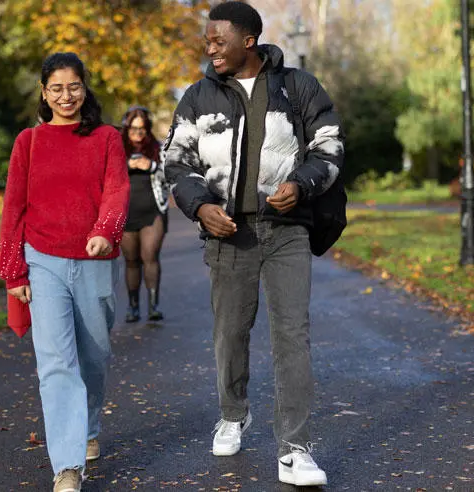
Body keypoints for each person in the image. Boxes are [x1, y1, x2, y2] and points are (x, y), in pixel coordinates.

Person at [162, 2, 344, 487]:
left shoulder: (298, 87)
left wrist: (302, 184)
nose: (210, 48)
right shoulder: (198, 96)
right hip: (228, 232)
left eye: (218, 40)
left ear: (249, 41)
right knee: (230, 332)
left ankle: (295, 449)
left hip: (286, 231)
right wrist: (201, 207)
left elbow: (329, 146)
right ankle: (232, 413)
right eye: (207, 41)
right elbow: (176, 162)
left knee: (292, 335)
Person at [0, 52, 129, 492]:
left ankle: (88, 428)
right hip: (43, 259)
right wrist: (13, 269)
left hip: (94, 260)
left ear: (84, 89)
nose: (66, 96)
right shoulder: (28, 143)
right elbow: (13, 207)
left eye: (73, 87)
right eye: (56, 88)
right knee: (56, 363)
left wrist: (106, 231)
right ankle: (67, 465)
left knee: (93, 358)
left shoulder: (107, 137)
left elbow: (116, 189)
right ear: (44, 92)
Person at [119, 105, 170, 322]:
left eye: (142, 129)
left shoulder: (157, 149)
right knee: (131, 261)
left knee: (150, 257)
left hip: (153, 211)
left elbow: (170, 175)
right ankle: (133, 307)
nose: (138, 134)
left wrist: (151, 166)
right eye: (133, 129)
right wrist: (126, 164)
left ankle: (153, 306)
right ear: (126, 129)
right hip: (125, 213)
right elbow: (104, 175)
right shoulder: (117, 149)